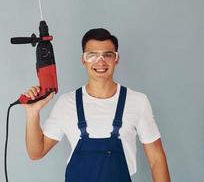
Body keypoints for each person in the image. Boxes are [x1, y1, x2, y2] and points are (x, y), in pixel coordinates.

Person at [22, 28, 171, 181]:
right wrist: (32, 113)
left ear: (116, 59)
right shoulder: (66, 103)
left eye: (108, 55)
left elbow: (156, 160)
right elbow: (36, 152)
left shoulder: (137, 101)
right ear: (83, 60)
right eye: (92, 55)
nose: (100, 61)